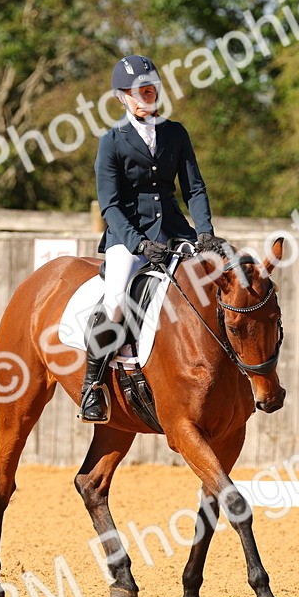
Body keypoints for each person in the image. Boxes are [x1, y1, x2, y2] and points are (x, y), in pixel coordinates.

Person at [79, 54, 226, 423]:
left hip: (176, 232)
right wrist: (138, 244)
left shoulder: (176, 132)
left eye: (151, 89)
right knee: (114, 301)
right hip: (128, 238)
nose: (147, 96)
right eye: (138, 91)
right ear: (122, 97)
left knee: (215, 285)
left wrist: (205, 231)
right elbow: (109, 205)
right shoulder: (111, 142)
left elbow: (195, 188)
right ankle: (92, 386)